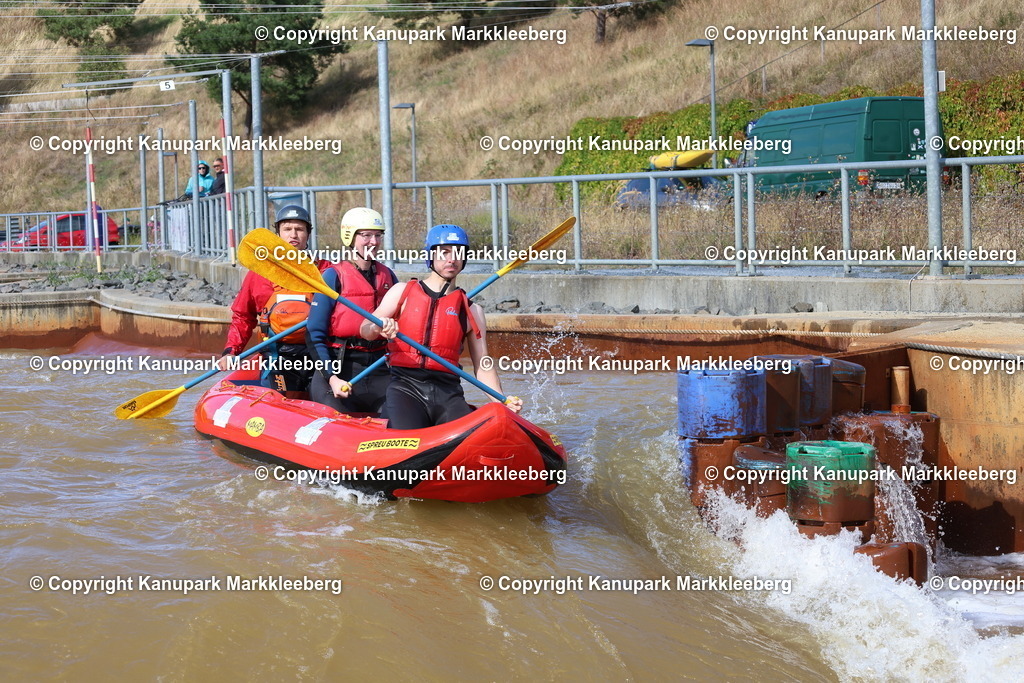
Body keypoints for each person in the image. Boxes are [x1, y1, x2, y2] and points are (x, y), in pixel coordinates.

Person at [360, 224, 523, 430]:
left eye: (458, 252)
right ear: (430, 255)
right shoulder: (402, 292)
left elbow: (483, 365)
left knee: (475, 438)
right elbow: (365, 329)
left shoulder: (473, 311)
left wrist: (501, 401)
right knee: (405, 436)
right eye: (444, 252)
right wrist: (378, 326)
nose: (451, 258)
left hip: (448, 392)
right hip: (406, 388)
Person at [216, 204, 329, 396]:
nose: (293, 235)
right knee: (285, 399)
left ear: (308, 235)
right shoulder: (259, 273)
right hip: (278, 356)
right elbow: (243, 316)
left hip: (319, 355)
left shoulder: (325, 270)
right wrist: (231, 351)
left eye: (299, 229)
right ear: (277, 235)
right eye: (287, 229)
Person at [306, 208, 397, 414]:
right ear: (350, 236)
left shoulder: (389, 276)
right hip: (340, 368)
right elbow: (314, 333)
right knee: (334, 419)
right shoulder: (332, 276)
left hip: (379, 368)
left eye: (377, 235)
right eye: (366, 235)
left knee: (400, 417)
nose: (373, 241)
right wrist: (332, 378)